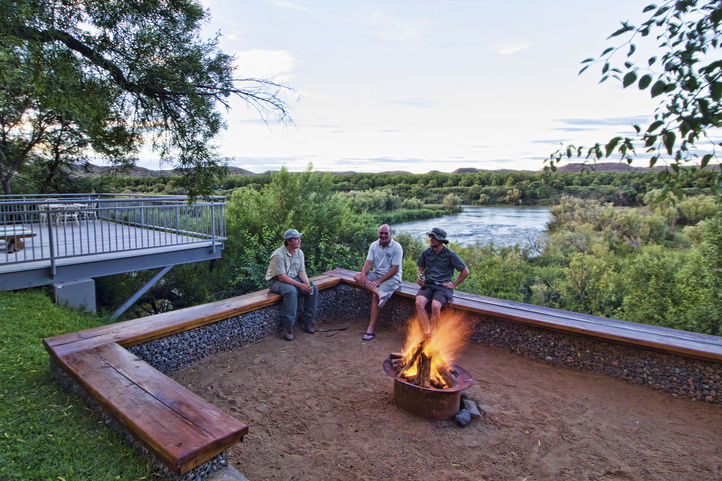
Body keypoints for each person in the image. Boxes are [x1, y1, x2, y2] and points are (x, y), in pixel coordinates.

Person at [265, 228, 318, 341]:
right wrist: (300, 285)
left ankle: (307, 321)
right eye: (296, 238)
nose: (299, 240)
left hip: (292, 277)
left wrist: (307, 285)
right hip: (276, 281)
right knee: (291, 291)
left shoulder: (299, 252)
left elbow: (301, 271)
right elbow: (281, 277)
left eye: (299, 238)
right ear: (288, 241)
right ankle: (287, 327)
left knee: (313, 288)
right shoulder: (278, 255)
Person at [415, 227, 469, 337]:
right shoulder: (426, 253)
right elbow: (420, 268)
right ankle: (427, 332)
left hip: (443, 287)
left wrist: (453, 284)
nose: (431, 239)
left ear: (441, 241)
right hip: (428, 284)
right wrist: (420, 277)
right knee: (419, 303)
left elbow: (465, 271)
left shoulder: (450, 255)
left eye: (434, 237)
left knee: (435, 306)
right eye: (431, 236)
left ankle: (435, 335)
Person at [353, 224, 403, 341]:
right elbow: (368, 263)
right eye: (381, 233)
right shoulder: (374, 245)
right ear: (378, 233)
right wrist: (363, 276)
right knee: (357, 276)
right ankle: (381, 293)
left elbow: (395, 269)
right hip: (377, 274)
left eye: (386, 233)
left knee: (374, 296)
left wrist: (379, 281)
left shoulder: (397, 247)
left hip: (393, 278)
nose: (383, 235)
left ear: (390, 234)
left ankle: (371, 327)